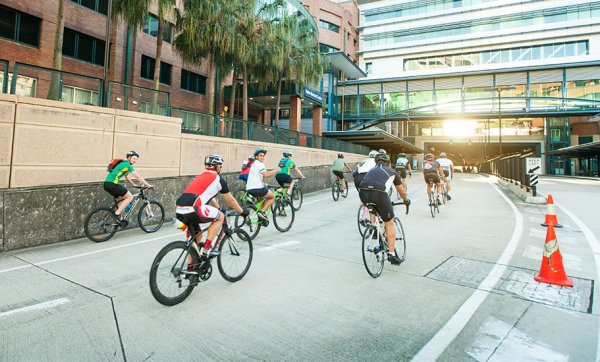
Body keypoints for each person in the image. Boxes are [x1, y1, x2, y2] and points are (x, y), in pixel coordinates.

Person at [175, 154, 249, 257]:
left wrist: (217, 208)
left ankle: (191, 268)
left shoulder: (200, 176)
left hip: (179, 211)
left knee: (195, 239)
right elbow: (230, 200)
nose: (220, 168)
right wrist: (242, 212)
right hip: (194, 208)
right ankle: (206, 248)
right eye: (220, 166)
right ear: (217, 167)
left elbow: (209, 196)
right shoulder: (219, 179)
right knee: (220, 217)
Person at [358, 152, 410, 265]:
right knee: (389, 223)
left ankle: (374, 228)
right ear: (388, 163)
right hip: (379, 194)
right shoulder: (392, 171)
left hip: (363, 193)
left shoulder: (371, 170)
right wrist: (406, 200)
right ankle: (392, 254)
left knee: (373, 209)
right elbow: (401, 191)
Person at [103, 151, 153, 226]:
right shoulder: (128, 165)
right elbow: (138, 177)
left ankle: (120, 219)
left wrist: (133, 184)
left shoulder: (123, 164)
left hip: (107, 184)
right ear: (129, 158)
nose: (135, 160)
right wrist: (148, 185)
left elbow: (126, 176)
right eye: (133, 158)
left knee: (121, 201)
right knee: (130, 197)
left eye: (136, 159)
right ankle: (116, 214)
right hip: (113, 184)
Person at [246, 148, 280, 222]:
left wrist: (263, 183)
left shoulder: (254, 164)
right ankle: (262, 212)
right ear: (256, 157)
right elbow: (266, 175)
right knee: (272, 197)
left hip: (249, 188)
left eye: (263, 156)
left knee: (261, 200)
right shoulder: (260, 164)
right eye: (260, 156)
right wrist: (276, 170)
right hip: (258, 188)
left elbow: (255, 177)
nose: (262, 157)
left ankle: (261, 219)